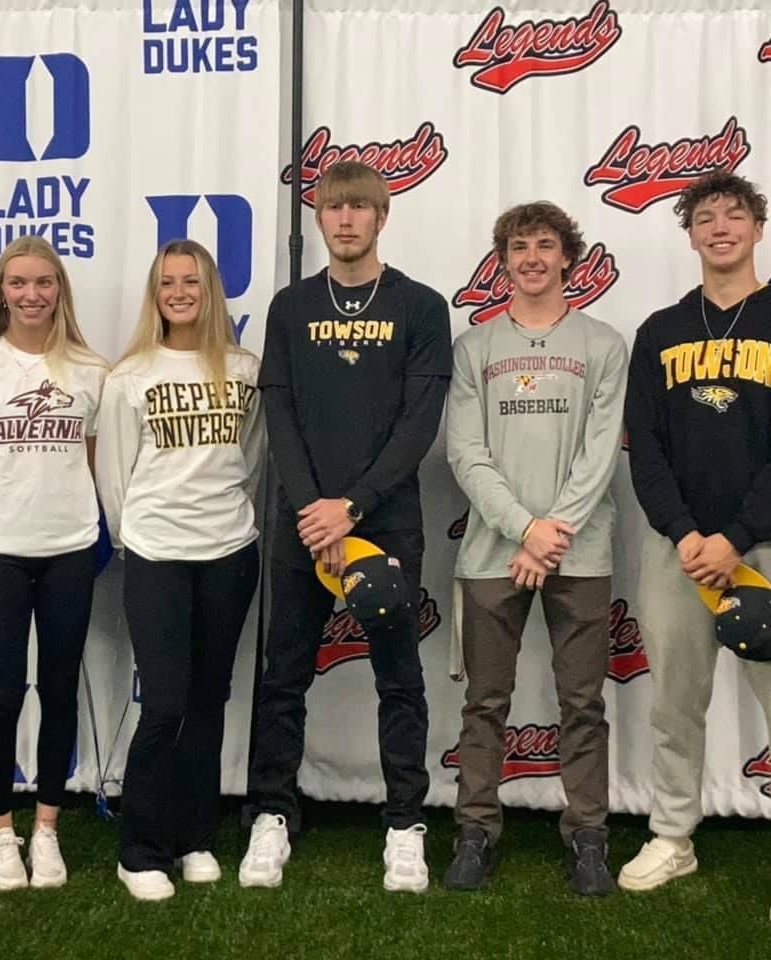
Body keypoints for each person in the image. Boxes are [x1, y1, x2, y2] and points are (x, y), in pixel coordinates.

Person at [238, 160, 453, 893]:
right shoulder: (291, 308)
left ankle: (403, 822)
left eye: (360, 207)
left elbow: (417, 424)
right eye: (334, 208)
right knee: (284, 675)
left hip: (385, 526)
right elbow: (282, 416)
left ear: (382, 217)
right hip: (302, 527)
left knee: (400, 678)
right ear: (320, 218)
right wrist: (314, 513)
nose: (346, 220)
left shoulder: (421, 307)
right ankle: (271, 811)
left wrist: (351, 507)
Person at [446, 202, 626, 896]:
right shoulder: (475, 348)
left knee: (583, 703)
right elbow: (465, 452)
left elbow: (600, 452)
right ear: (503, 260)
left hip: (578, 556)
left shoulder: (604, 344)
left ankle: (588, 837)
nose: (531, 258)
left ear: (566, 257)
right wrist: (526, 528)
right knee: (485, 703)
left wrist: (549, 537)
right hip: (495, 556)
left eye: (544, 246)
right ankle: (474, 833)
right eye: (519, 246)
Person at [96, 239, 263, 902]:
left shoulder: (244, 369)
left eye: (191, 280)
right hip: (158, 554)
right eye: (168, 281)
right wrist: (133, 540)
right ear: (155, 292)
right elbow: (114, 475)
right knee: (163, 704)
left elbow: (251, 457)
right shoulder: (129, 375)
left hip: (229, 550)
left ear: (210, 288)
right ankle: (139, 849)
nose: (180, 291)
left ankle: (196, 837)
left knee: (207, 701)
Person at [620, 170, 771, 891]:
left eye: (733, 215)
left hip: (762, 547)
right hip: (677, 552)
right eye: (705, 217)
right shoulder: (662, 330)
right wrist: (684, 533)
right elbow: (643, 448)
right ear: (689, 234)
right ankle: (673, 834)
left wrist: (736, 536)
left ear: (757, 229)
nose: (720, 227)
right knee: (676, 703)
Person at [0, 236, 107, 891]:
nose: (31, 294)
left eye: (44, 283)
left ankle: (47, 829)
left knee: (59, 691)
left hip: (69, 551)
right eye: (18, 283)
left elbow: (95, 460)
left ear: (59, 290)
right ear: (1, 292)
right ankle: (0, 833)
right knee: (4, 694)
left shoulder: (91, 371)